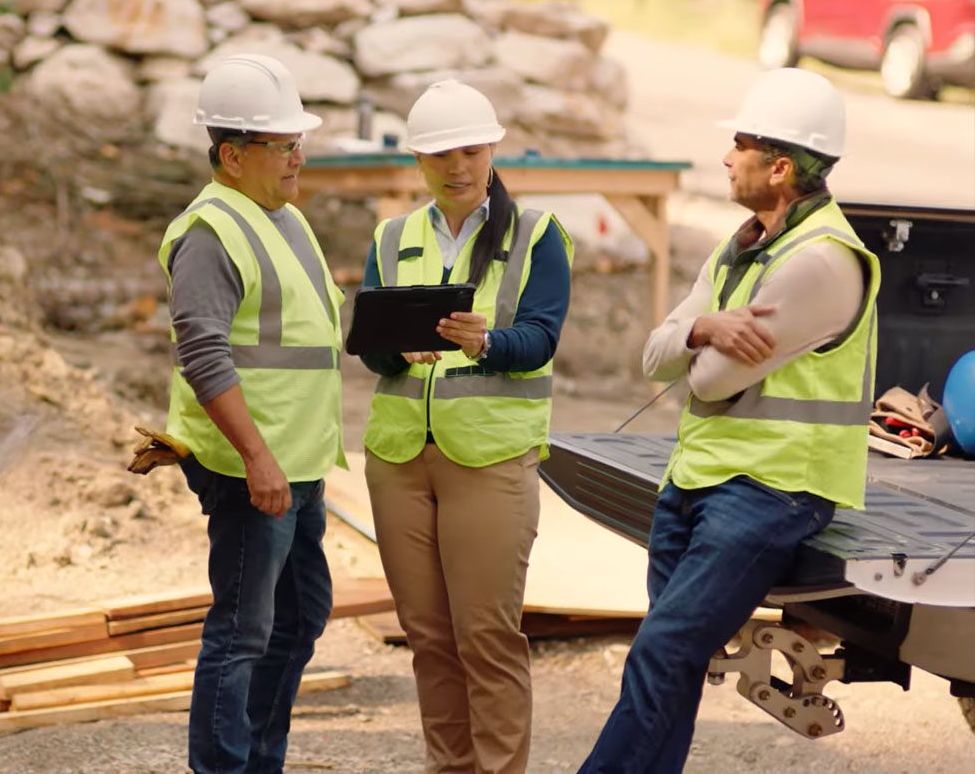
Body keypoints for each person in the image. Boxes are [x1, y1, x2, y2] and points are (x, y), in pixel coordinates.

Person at [578, 67, 881, 773]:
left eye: (739, 145)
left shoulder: (820, 264)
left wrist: (696, 338)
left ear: (779, 167)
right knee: (671, 662)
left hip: (771, 490)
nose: (724, 157)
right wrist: (703, 327)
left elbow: (710, 381)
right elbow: (656, 355)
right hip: (699, 479)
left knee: (663, 650)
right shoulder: (739, 246)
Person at [358, 79, 574, 773]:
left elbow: (540, 338)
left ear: (492, 151)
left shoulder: (537, 235)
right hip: (398, 458)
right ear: (418, 162)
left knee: (486, 637)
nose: (456, 168)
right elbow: (370, 345)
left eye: (470, 152)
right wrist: (399, 346)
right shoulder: (392, 237)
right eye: (439, 156)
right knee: (428, 637)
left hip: (489, 458)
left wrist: (489, 343)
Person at [157, 53, 346, 774]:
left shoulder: (284, 219)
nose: (298, 155)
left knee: (298, 619)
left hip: (297, 465)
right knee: (241, 632)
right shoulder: (209, 232)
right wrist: (257, 460)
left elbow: (305, 335)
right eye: (282, 145)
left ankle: (258, 761)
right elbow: (203, 356)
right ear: (232, 156)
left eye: (299, 141)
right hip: (250, 470)